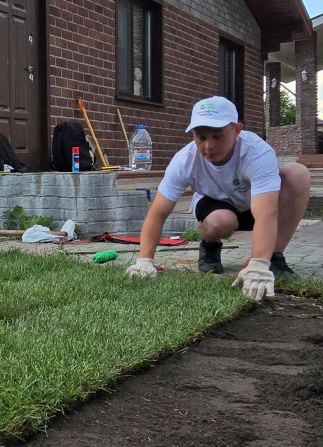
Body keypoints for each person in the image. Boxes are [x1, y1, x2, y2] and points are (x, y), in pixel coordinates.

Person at [124, 96, 310, 301]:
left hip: (254, 205)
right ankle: (210, 245)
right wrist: (144, 261)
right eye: (201, 137)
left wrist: (258, 262)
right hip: (215, 205)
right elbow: (157, 213)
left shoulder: (257, 153)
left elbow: (266, 213)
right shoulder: (184, 161)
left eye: (217, 136)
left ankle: (273, 258)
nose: (208, 146)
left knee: (297, 174)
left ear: (237, 130)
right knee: (221, 221)